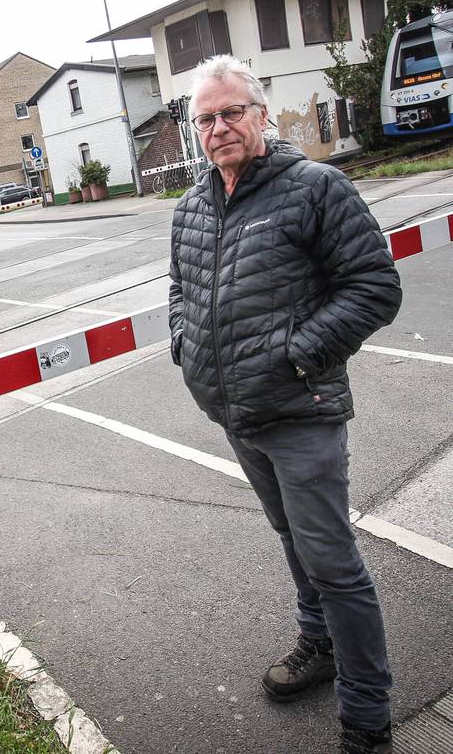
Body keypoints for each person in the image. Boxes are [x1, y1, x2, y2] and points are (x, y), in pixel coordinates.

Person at [168, 55, 402, 754]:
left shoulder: (315, 188)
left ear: (261, 114)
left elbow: (374, 288)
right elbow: (180, 291)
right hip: (236, 414)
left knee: (332, 562)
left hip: (301, 410)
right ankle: (318, 645)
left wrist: (298, 354)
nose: (219, 127)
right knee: (293, 541)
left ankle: (367, 717)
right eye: (205, 118)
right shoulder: (190, 207)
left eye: (232, 111)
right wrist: (186, 345)